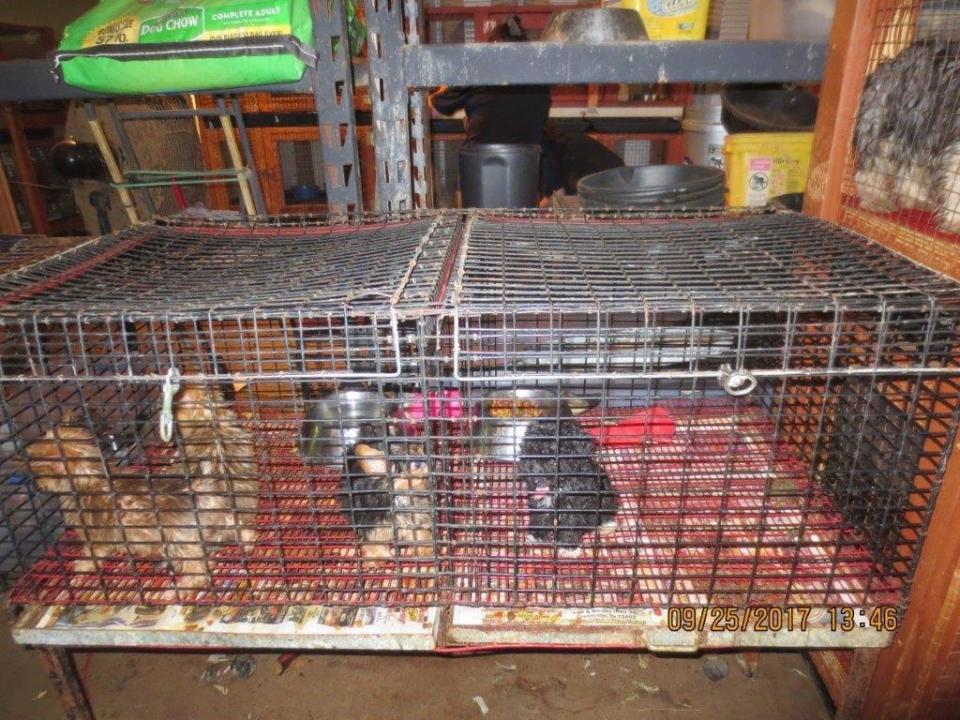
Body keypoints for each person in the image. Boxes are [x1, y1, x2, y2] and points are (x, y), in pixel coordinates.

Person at [430, 16, 551, 146]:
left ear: (492, 50)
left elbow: (433, 110)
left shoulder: (477, 74)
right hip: (528, 163)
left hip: (480, 162)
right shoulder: (540, 82)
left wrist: (443, 90)